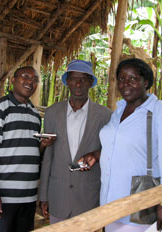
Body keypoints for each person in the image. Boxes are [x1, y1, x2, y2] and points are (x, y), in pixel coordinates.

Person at [99, 58, 162, 232]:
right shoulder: (119, 110)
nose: (125, 84)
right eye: (121, 79)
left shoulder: (160, 111)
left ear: (145, 82)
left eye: (132, 79)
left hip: (139, 204)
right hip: (109, 201)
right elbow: (116, 146)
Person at [0, 66, 54, 232]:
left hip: (28, 196)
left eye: (35, 80)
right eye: (25, 77)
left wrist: (43, 144)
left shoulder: (34, 114)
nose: (30, 82)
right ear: (13, 80)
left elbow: (32, 151)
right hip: (4, 197)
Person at [39, 59, 112, 224]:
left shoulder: (105, 116)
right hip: (59, 196)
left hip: (89, 198)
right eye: (73, 79)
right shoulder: (52, 113)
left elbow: (111, 153)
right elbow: (48, 158)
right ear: (67, 82)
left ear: (90, 82)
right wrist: (44, 195)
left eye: (83, 79)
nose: (78, 83)